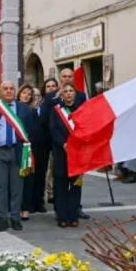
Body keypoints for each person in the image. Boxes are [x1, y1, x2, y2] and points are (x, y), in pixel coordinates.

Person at [0, 81, 35, 233]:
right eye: (5, 89)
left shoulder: (24, 109)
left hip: (18, 150)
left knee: (17, 187)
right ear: (0, 91)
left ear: (15, 91)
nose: (9, 91)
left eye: (11, 89)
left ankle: (15, 218)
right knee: (0, 187)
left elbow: (30, 130)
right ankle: (2, 219)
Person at [50, 83, 82, 228]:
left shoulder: (81, 110)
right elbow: (53, 130)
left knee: (75, 185)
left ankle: (73, 215)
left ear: (75, 94)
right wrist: (63, 143)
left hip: (77, 154)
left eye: (71, 91)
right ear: (61, 94)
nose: (69, 94)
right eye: (66, 91)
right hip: (60, 152)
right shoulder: (56, 111)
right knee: (61, 185)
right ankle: (62, 216)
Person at [16, 84, 36, 221]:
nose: (26, 96)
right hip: (14, 147)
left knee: (27, 179)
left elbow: (35, 130)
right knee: (15, 179)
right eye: (24, 93)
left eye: (29, 94)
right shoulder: (11, 109)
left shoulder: (32, 111)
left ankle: (26, 208)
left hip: (28, 148)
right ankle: (15, 206)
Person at [39, 78, 58, 206]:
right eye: (48, 86)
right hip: (45, 140)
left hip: (58, 140)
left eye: (53, 86)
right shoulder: (43, 103)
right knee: (47, 168)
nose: (51, 88)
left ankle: (54, 192)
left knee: (55, 168)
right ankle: (49, 192)